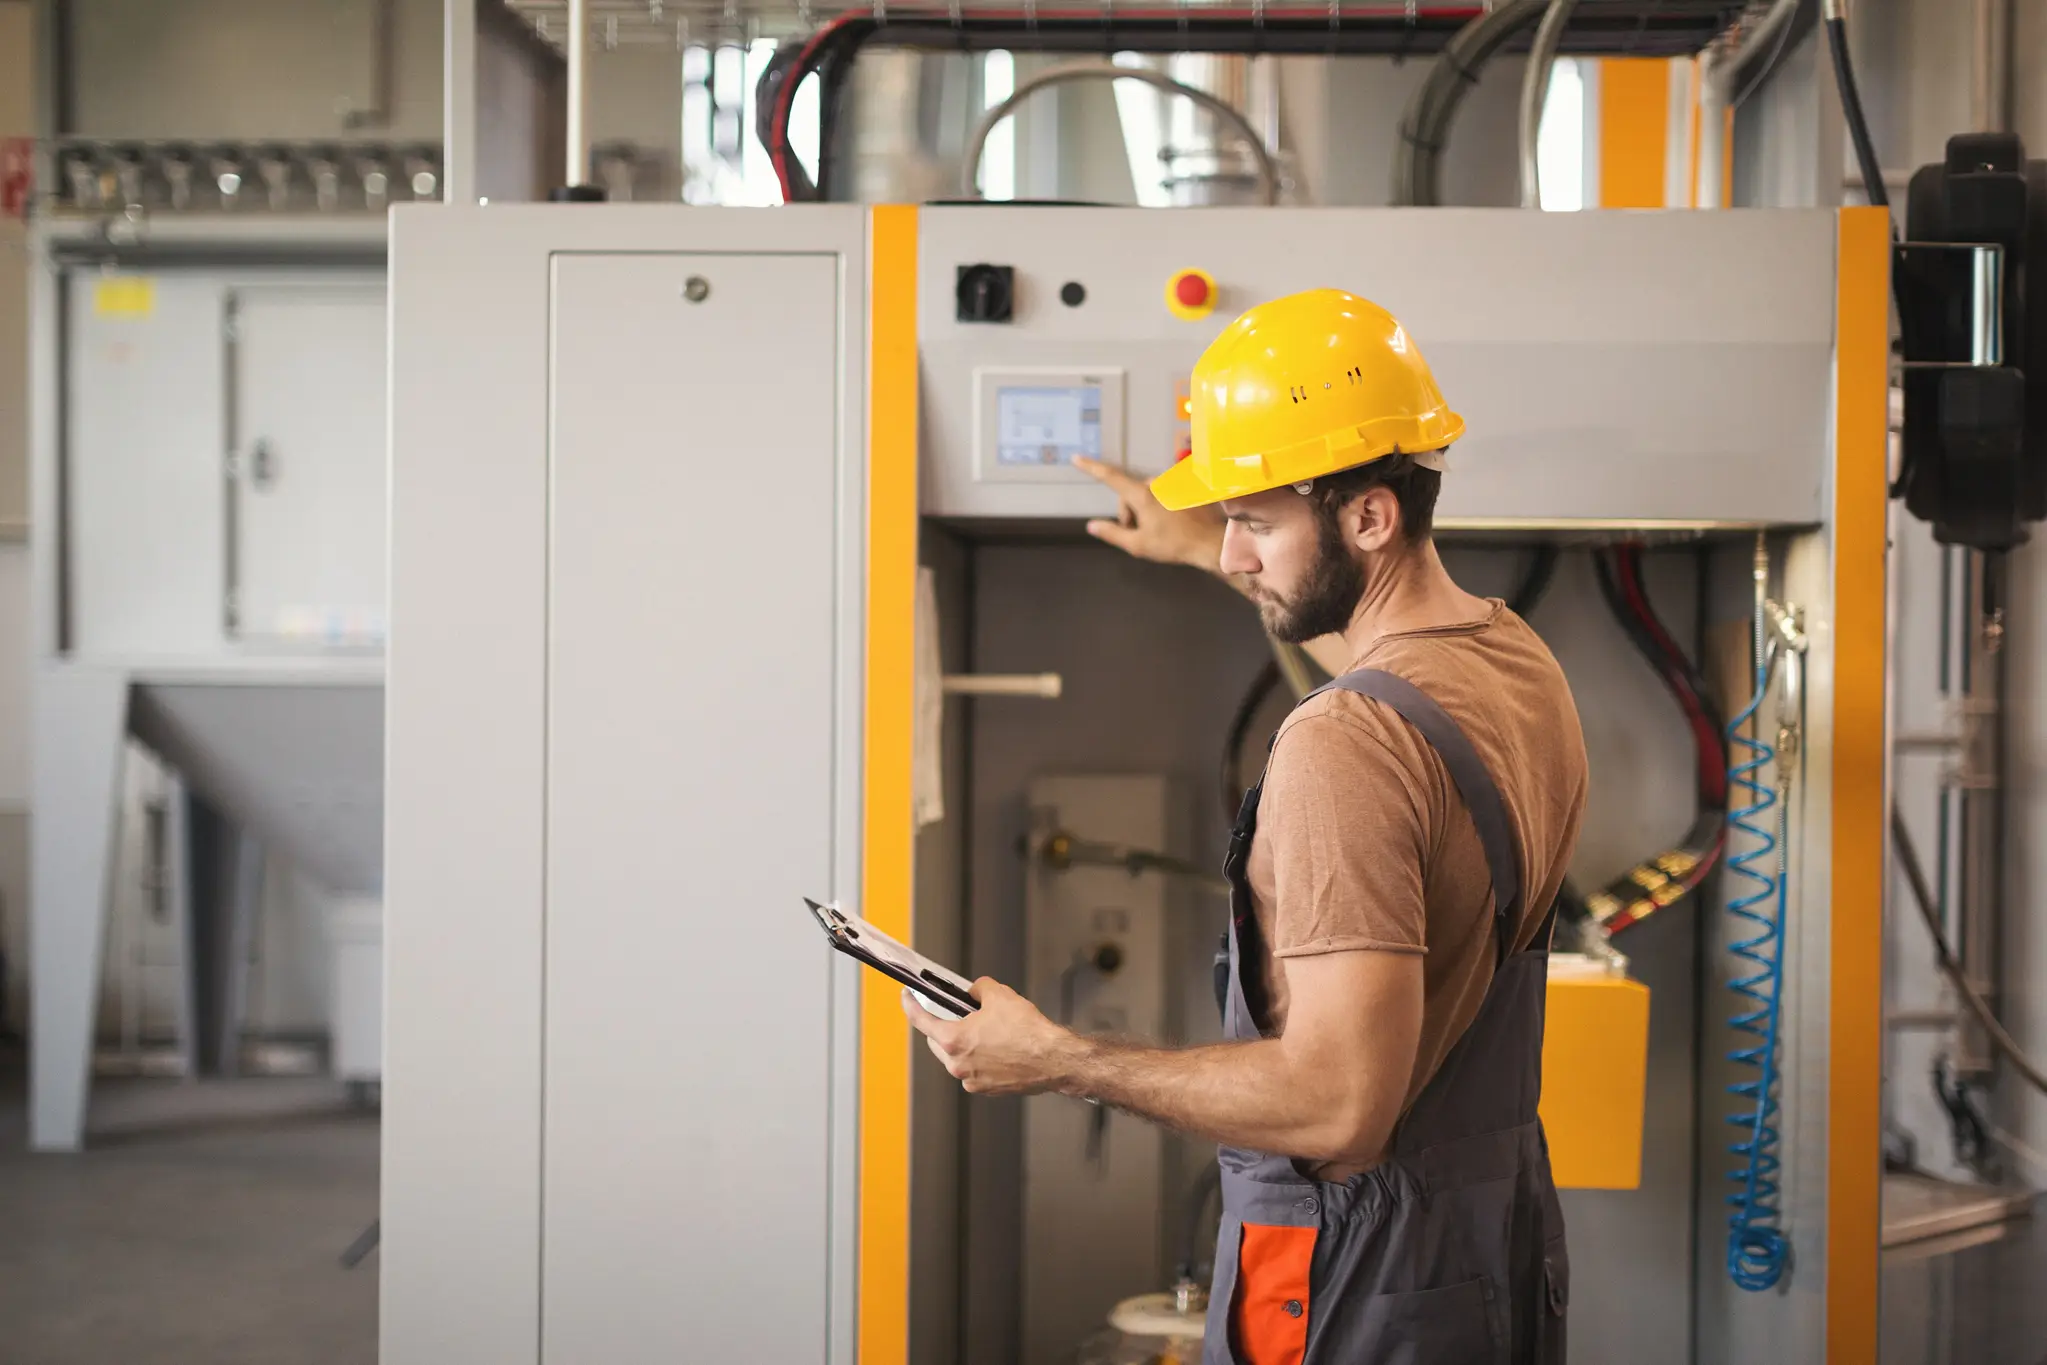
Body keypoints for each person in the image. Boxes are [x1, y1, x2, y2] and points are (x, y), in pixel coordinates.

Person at [904, 288, 1588, 1364]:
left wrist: (1058, 1058)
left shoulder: (1343, 744)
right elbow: (1391, 688)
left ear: (1369, 516)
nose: (1231, 555)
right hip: (1481, 1250)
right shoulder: (1511, 662)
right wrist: (1203, 544)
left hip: (1349, 1284)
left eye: (1255, 524)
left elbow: (1336, 1105)